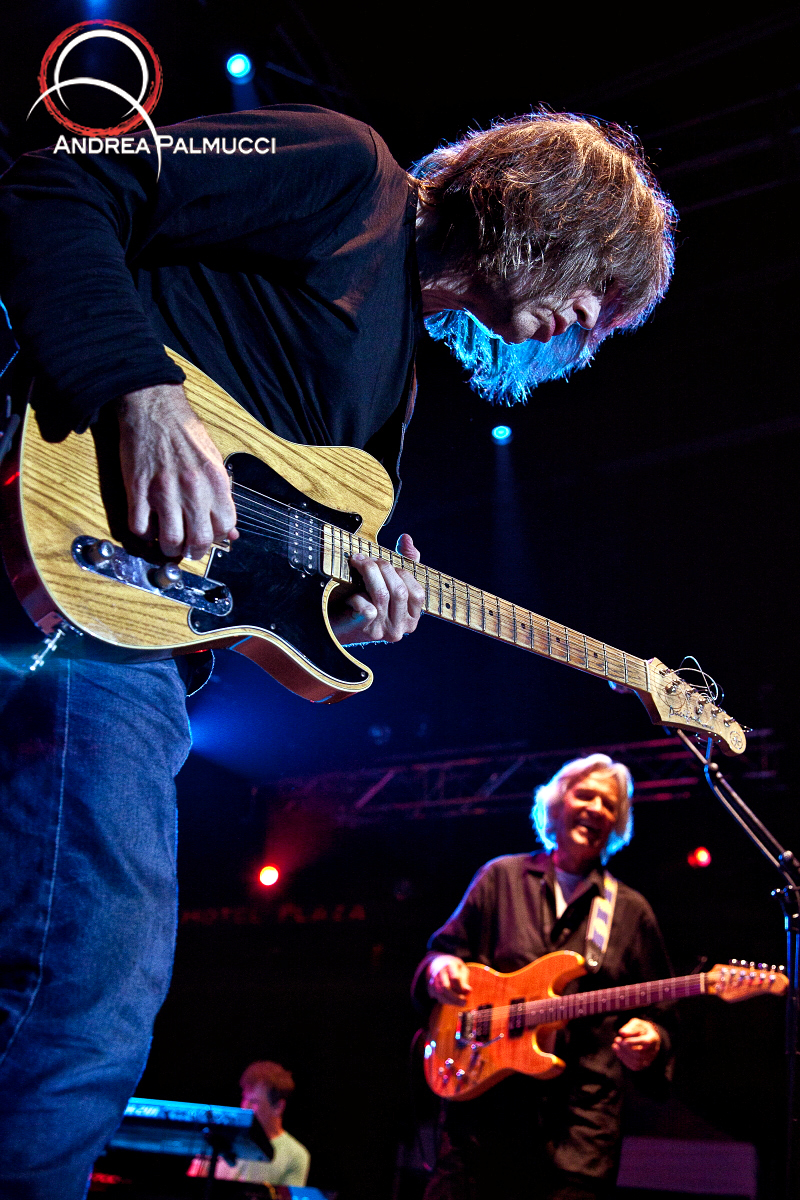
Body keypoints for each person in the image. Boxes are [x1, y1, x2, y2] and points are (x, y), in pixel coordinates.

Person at [0, 105, 676, 1200]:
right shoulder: (347, 172)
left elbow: (256, 576)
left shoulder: (391, 382)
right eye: (603, 281)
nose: (589, 322)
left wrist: (344, 619)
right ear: (548, 210)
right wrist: (138, 387)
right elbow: (65, 176)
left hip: (131, 632)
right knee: (88, 988)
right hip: (83, 601)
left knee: (80, 983)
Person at [414, 754, 673, 1200]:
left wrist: (652, 1039)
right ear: (556, 805)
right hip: (484, 1124)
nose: (596, 809)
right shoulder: (501, 878)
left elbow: (662, 1017)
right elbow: (441, 953)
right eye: (585, 795)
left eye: (609, 805)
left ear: (617, 825)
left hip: (579, 1133)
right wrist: (441, 969)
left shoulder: (631, 911)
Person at [187, 1060, 310, 1186]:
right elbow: (191, 1188)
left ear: (278, 1106)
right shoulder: (218, 1137)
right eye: (244, 1098)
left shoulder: (295, 1155)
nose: (245, 1107)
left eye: (254, 1102)